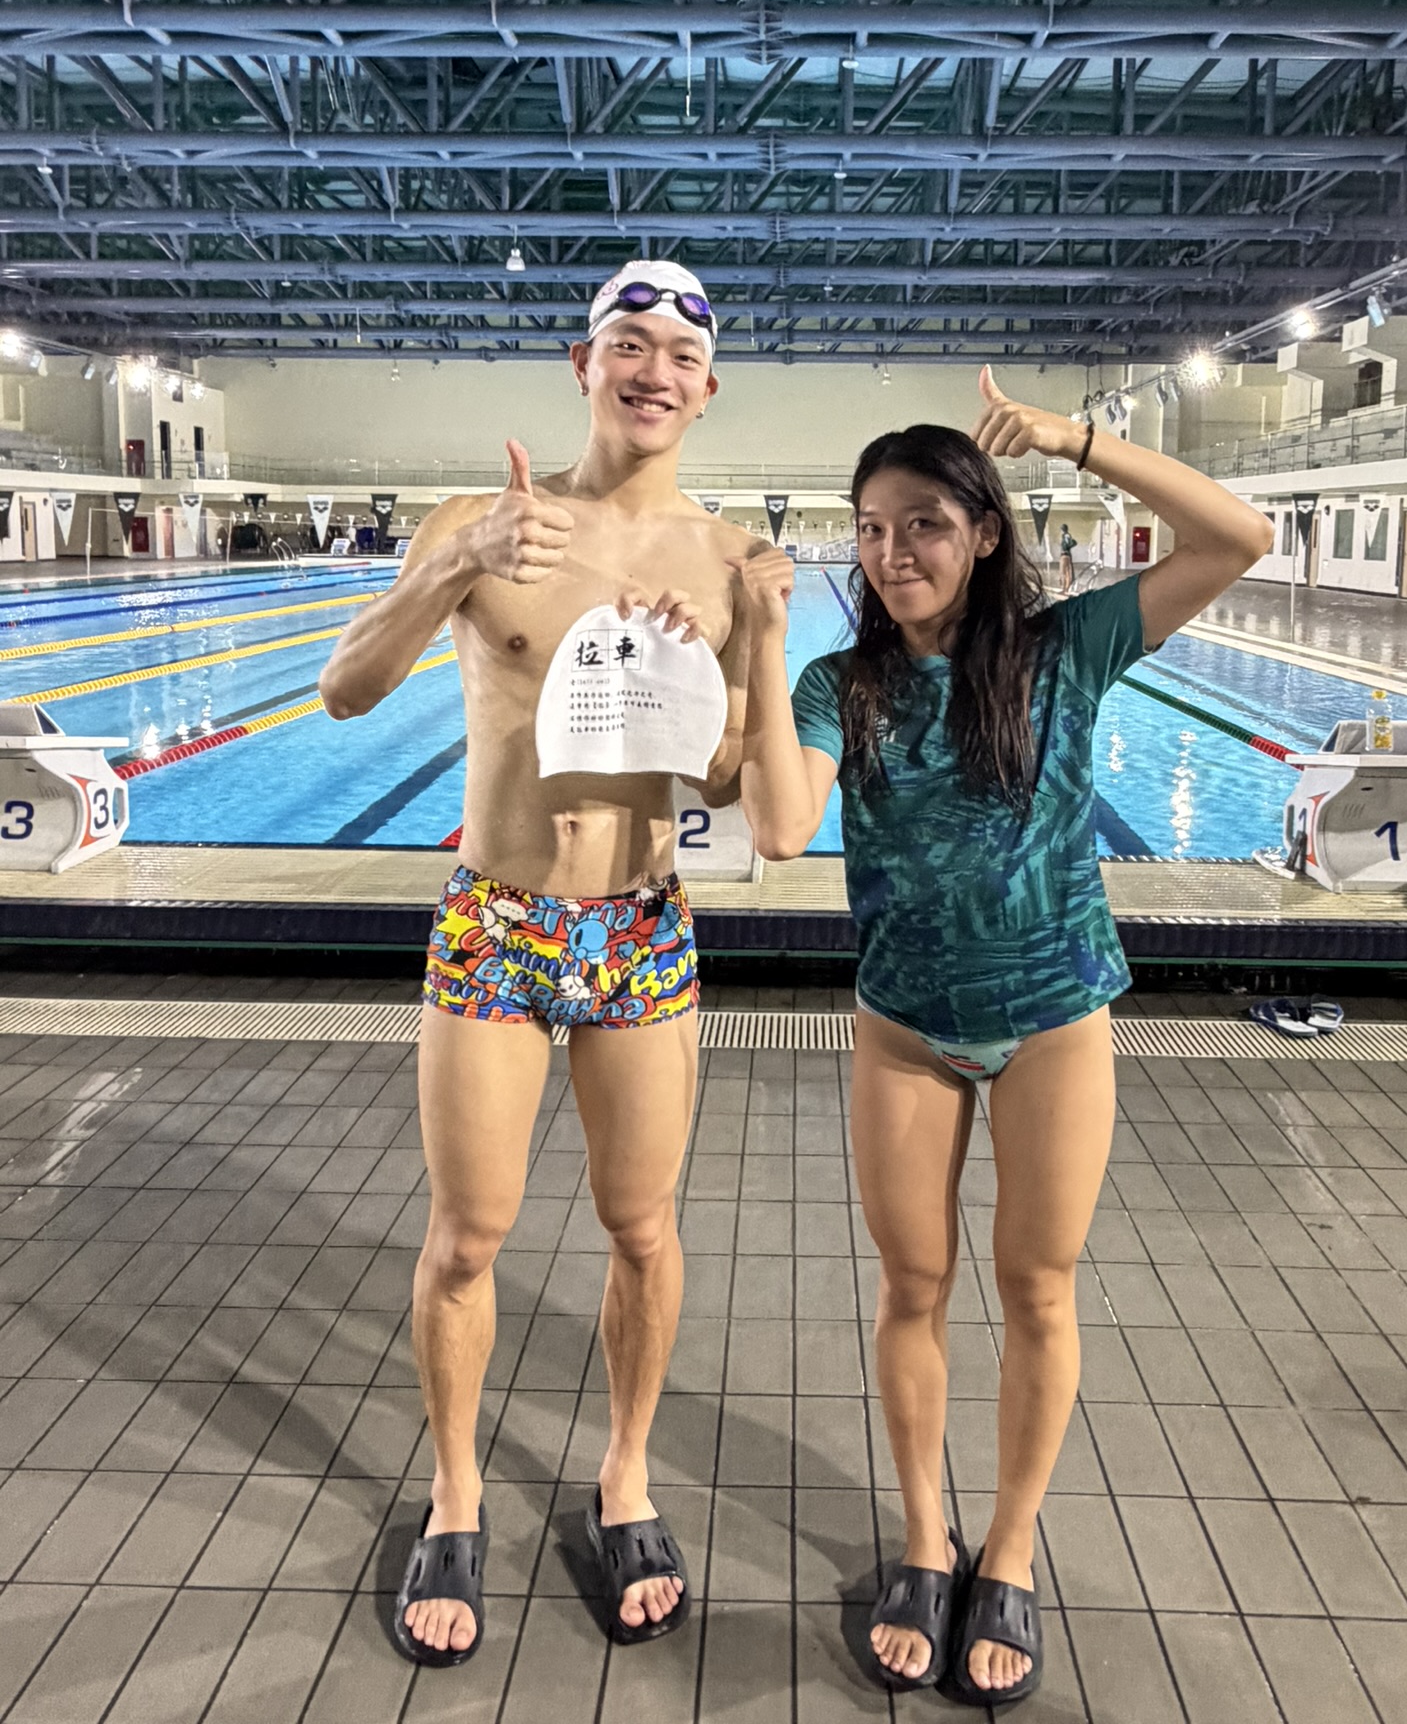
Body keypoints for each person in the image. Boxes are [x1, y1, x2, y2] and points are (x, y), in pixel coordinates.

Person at [729, 369, 1271, 1706]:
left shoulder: (1065, 650)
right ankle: (927, 1538)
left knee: (1037, 1287)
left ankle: (1011, 1546)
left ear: (982, 531)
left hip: (1054, 1019)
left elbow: (1240, 536)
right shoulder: (843, 682)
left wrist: (1077, 438)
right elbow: (780, 828)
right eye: (870, 527)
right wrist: (760, 640)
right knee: (912, 1285)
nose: (891, 551)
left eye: (923, 522)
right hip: (905, 1026)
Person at [320, 261, 762, 1666]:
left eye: (677, 355)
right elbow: (345, 688)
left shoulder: (729, 557)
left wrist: (714, 672)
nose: (651, 370)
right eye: (627, 343)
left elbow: (735, 778)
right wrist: (456, 565)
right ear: (584, 364)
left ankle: (624, 1476)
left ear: (707, 388)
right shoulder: (479, 519)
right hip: (496, 916)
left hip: (637, 923)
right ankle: (455, 1494)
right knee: (467, 1236)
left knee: (644, 1228)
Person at [1057, 522, 1077, 594]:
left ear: (1062, 530)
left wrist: (1065, 547)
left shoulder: (1065, 535)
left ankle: (1064, 588)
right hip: (1068, 555)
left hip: (1064, 555)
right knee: (1067, 572)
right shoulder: (1067, 535)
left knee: (1063, 572)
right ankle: (1066, 589)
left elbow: (1067, 544)